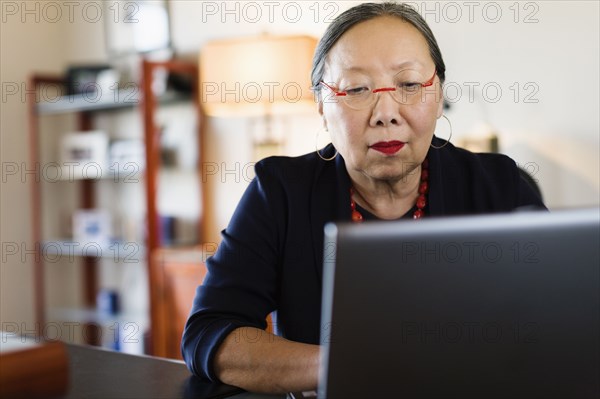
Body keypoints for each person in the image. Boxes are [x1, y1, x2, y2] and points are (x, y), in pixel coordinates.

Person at [182, 2, 546, 394]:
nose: (385, 113)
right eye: (356, 89)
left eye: (408, 84)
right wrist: (349, 364)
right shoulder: (280, 193)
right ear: (322, 106)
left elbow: (563, 322)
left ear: (438, 94)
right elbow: (211, 332)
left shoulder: (500, 187)